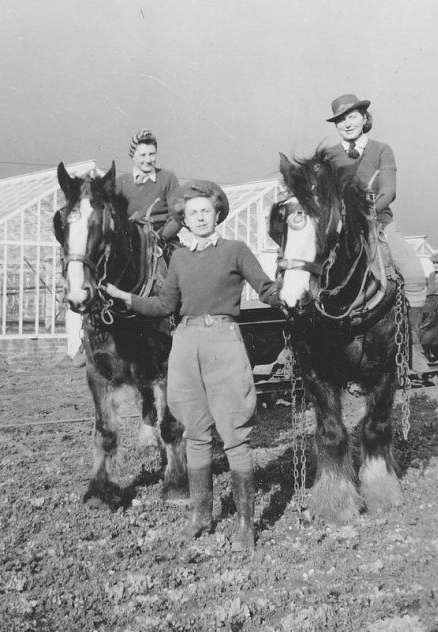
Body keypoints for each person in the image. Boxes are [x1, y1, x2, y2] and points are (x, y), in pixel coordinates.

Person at [105, 180, 279, 552]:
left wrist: (289, 292)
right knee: (195, 431)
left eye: (206, 211)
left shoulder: (235, 250)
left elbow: (266, 289)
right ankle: (200, 515)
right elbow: (165, 305)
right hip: (185, 345)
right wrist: (124, 296)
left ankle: (246, 525)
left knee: (234, 431)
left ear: (217, 214)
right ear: (183, 218)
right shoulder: (180, 258)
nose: (199, 217)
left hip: (223, 342)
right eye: (192, 212)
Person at [325, 94, 429, 372]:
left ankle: (413, 344)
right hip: (339, 230)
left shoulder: (382, 150)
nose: (346, 124)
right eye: (340, 120)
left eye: (351, 117)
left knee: (415, 276)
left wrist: (367, 212)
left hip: (378, 224)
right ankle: (293, 348)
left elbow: (388, 190)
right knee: (306, 276)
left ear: (363, 118)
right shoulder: (328, 156)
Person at [115, 129, 182, 243]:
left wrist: (160, 236)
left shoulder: (168, 178)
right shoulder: (121, 182)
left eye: (152, 154)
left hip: (162, 240)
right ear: (133, 156)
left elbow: (177, 217)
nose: (148, 160)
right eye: (142, 155)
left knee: (178, 258)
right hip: (131, 241)